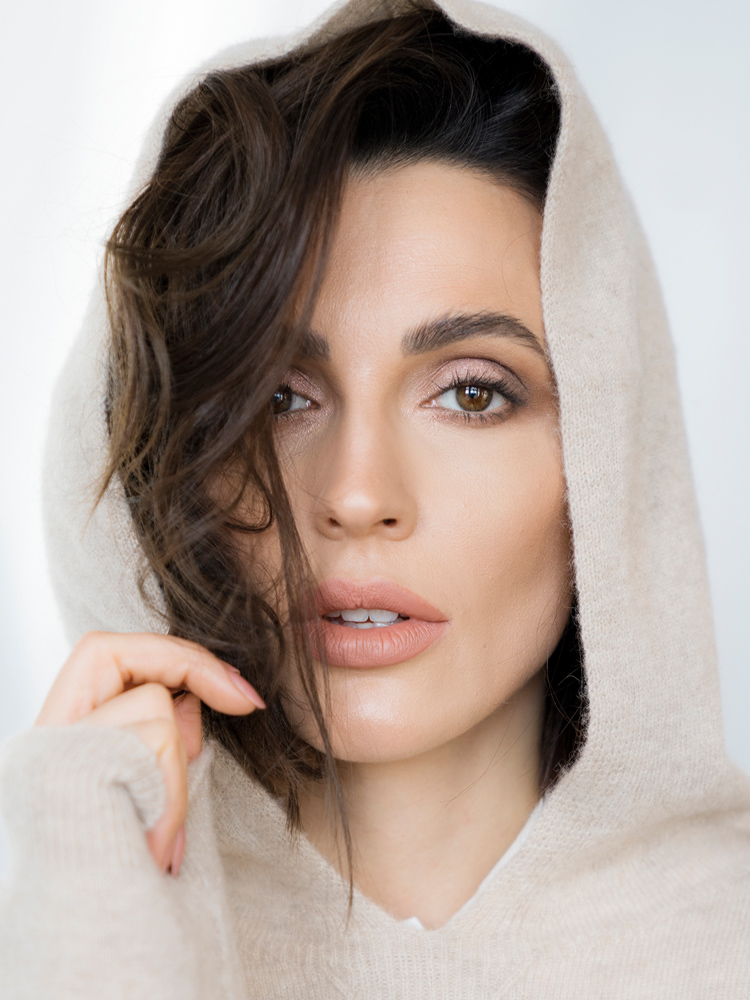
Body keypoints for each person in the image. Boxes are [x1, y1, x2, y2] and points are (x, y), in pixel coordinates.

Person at [1, 0, 749, 996]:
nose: (357, 496)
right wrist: (92, 928)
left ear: (609, 452)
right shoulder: (66, 923)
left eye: (472, 394)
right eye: (277, 398)